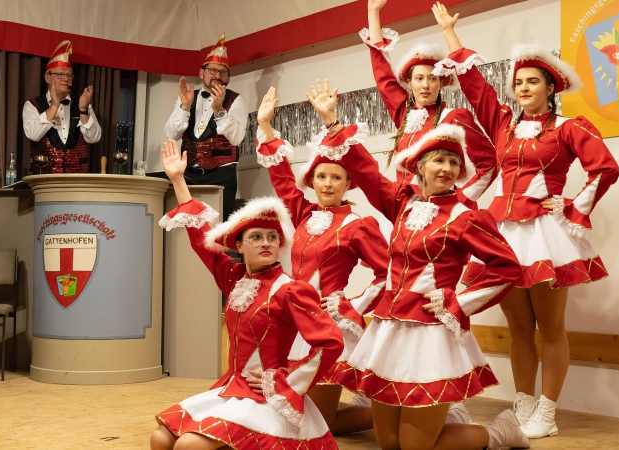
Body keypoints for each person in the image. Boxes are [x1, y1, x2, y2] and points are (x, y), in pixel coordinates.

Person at [306, 79, 529, 450]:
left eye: (454, 162)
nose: (447, 168)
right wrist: (332, 121)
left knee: (413, 446)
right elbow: (366, 170)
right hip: (388, 329)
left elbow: (509, 269)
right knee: (388, 443)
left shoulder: (465, 217)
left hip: (430, 334)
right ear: (421, 168)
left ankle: (499, 433)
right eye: (439, 160)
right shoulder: (403, 204)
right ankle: (449, 418)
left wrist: (458, 303)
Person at [432, 2, 619, 439]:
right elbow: (477, 89)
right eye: (518, 82)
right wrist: (450, 35)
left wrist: (572, 207)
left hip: (544, 235)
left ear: (550, 87)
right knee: (519, 328)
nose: (522, 88)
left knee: (550, 329)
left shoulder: (569, 127)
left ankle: (548, 413)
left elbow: (605, 168)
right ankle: (524, 406)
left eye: (532, 81)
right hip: (504, 233)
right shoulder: (503, 125)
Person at [150, 140, 343, 450]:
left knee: (189, 446)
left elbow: (331, 343)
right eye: (256, 237)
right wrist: (178, 180)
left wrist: (283, 380)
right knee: (160, 438)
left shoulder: (291, 289)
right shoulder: (234, 278)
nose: (266, 242)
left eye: (272, 237)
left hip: (266, 397)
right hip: (231, 387)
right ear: (239, 246)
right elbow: (201, 239)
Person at [253, 87, 389, 434]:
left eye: (336, 177)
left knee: (318, 424)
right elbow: (282, 180)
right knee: (293, 414)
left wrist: (351, 304)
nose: (328, 184)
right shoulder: (303, 213)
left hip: (328, 329)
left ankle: (393, 417)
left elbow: (389, 274)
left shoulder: (359, 225)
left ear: (348, 183)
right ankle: (380, 411)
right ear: (312, 181)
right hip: (292, 322)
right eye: (321, 177)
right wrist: (266, 126)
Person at [362, 0, 496, 199]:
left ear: (441, 83)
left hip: (438, 209)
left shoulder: (455, 118)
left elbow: (489, 162)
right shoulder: (404, 114)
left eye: (432, 79)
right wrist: (373, 13)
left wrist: (460, 199)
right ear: (409, 83)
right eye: (419, 78)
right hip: (402, 207)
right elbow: (382, 74)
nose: (426, 85)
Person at [164, 33, 248, 219]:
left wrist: (219, 111)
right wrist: (184, 107)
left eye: (223, 72)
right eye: (212, 70)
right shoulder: (187, 97)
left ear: (228, 77)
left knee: (218, 227)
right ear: (202, 73)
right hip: (188, 174)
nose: (217, 75)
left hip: (221, 175)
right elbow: (171, 134)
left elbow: (236, 138)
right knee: (183, 222)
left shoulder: (235, 100)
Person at [23, 40, 101, 174]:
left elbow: (94, 138)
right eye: (60, 74)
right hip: (44, 179)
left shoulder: (82, 104)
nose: (65, 79)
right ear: (47, 78)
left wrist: (83, 110)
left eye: (69, 75)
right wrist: (54, 107)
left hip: (77, 180)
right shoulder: (33, 105)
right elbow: (33, 134)